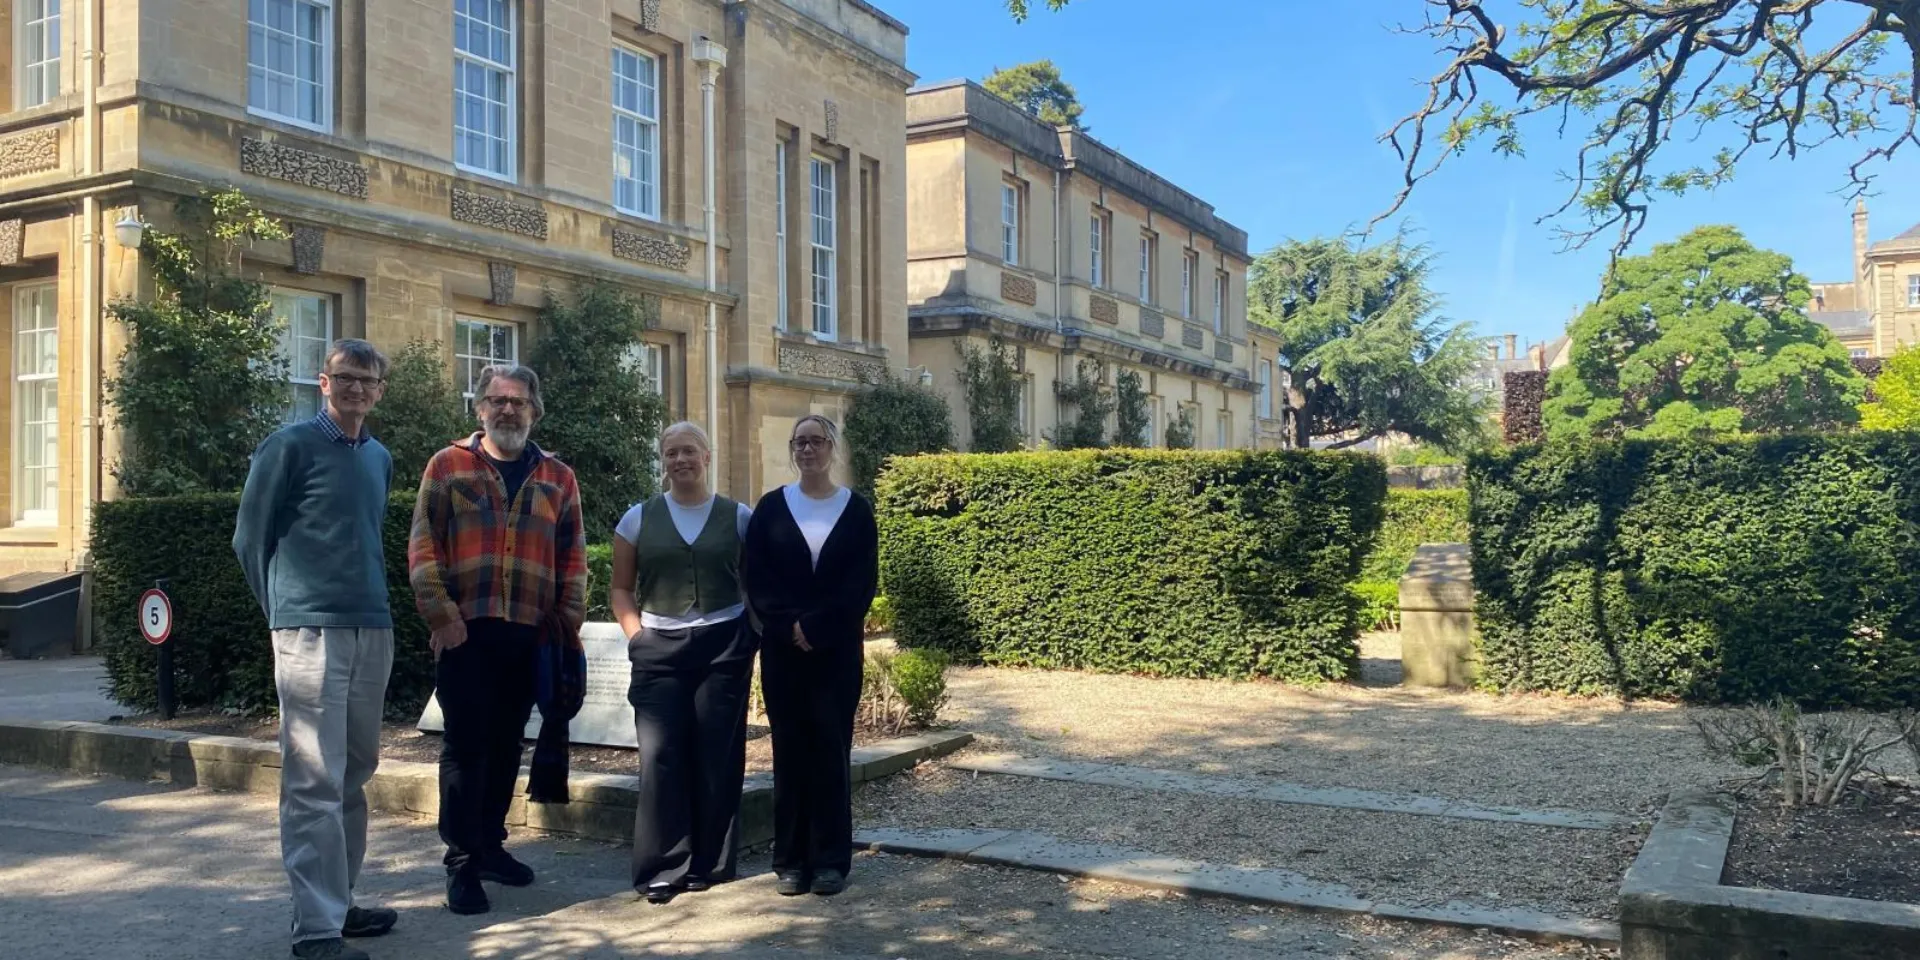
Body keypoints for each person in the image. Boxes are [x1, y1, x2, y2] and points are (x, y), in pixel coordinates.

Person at [233, 340, 399, 960]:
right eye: (345, 377)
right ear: (322, 383)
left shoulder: (378, 457)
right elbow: (250, 538)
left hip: (371, 625)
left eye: (367, 380)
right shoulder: (289, 447)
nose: (356, 388)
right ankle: (316, 928)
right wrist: (281, 615)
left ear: (379, 391)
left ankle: (341, 900)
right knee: (312, 779)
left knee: (355, 771)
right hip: (308, 630)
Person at [408, 364, 587, 916]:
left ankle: (490, 846)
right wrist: (442, 616)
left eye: (518, 402)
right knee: (465, 746)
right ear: (480, 408)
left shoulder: (559, 477)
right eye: (496, 400)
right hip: (466, 632)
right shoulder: (448, 465)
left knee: (509, 742)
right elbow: (422, 546)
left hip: (529, 635)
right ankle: (461, 863)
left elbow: (574, 557)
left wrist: (566, 623)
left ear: (535, 410)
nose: (507, 410)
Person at [611, 422, 758, 904]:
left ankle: (710, 863)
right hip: (659, 645)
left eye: (689, 451)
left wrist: (751, 633)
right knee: (661, 756)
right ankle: (662, 866)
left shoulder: (739, 517)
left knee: (718, 754)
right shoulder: (637, 518)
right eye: (671, 452)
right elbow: (620, 589)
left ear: (707, 456)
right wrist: (637, 637)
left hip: (723, 645)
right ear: (663, 459)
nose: (680, 460)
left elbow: (759, 583)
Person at [741, 414, 879, 897]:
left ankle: (829, 861)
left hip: (836, 652)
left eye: (816, 441)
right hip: (783, 651)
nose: (808, 449)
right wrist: (788, 625)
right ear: (792, 449)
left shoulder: (856, 510)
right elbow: (756, 576)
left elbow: (860, 584)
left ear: (832, 447)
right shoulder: (771, 507)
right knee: (790, 751)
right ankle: (790, 860)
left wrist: (817, 628)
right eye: (800, 442)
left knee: (830, 750)